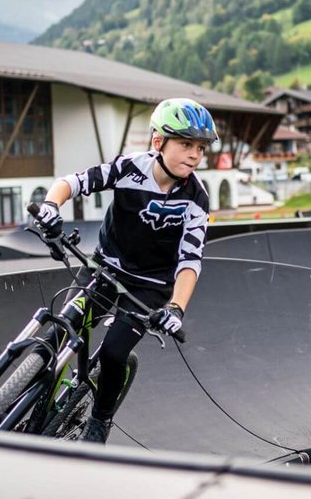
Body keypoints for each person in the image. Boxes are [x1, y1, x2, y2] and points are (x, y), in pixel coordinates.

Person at [32, 97, 218, 444]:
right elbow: (71, 182)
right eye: (186, 144)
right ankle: (25, 399)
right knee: (63, 327)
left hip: (148, 289)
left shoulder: (196, 198)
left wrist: (175, 307)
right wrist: (50, 206)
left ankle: (100, 420)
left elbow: (190, 261)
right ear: (158, 142)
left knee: (116, 352)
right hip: (105, 269)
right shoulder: (129, 168)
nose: (194, 154)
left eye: (201, 148)